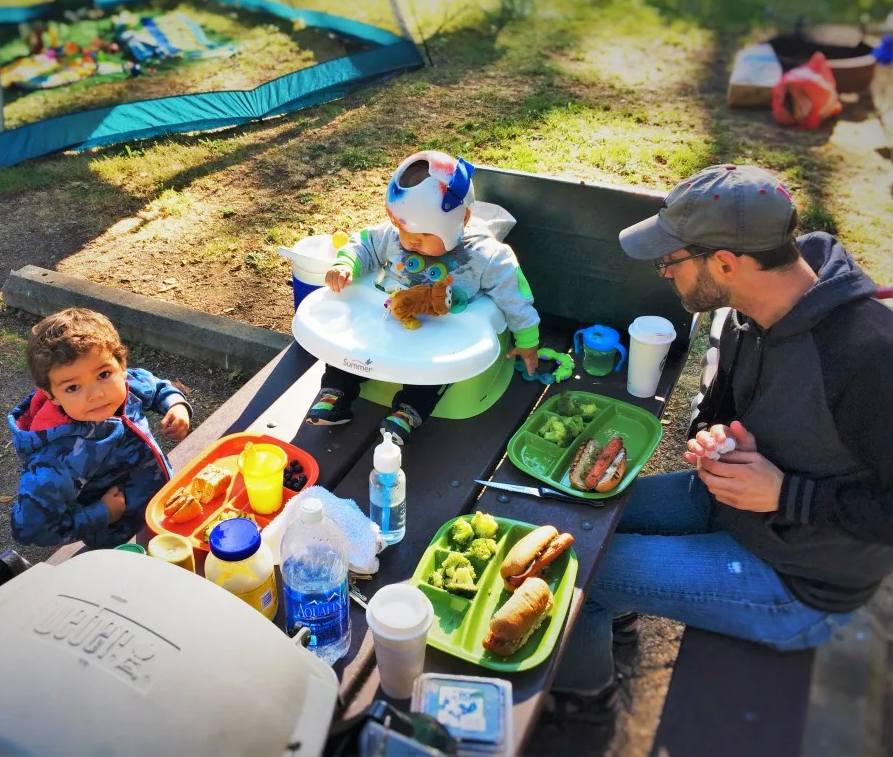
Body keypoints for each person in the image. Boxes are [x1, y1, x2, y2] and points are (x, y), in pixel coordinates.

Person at [547, 164, 893, 722]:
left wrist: (787, 495)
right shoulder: (741, 312)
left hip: (800, 581)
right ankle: (619, 616)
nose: (664, 272)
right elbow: (720, 410)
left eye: (670, 260)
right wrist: (711, 434)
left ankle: (586, 697)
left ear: (726, 263)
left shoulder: (868, 357)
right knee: (579, 508)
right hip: (731, 506)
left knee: (579, 566)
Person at [304, 150, 540, 445]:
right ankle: (335, 394)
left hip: (440, 336)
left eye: (424, 233)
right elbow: (363, 243)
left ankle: (407, 412)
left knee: (436, 373)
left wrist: (528, 341)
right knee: (346, 350)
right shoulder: (393, 236)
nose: (411, 240)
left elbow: (515, 296)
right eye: (403, 228)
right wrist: (345, 264)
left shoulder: (487, 257)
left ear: (462, 218)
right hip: (387, 322)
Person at [8, 308, 192, 548]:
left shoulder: (127, 384)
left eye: (103, 374)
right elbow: (28, 527)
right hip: (120, 542)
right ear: (51, 395)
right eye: (73, 388)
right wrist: (101, 513)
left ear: (121, 364)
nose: (96, 394)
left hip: (167, 508)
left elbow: (155, 387)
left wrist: (176, 405)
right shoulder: (57, 458)